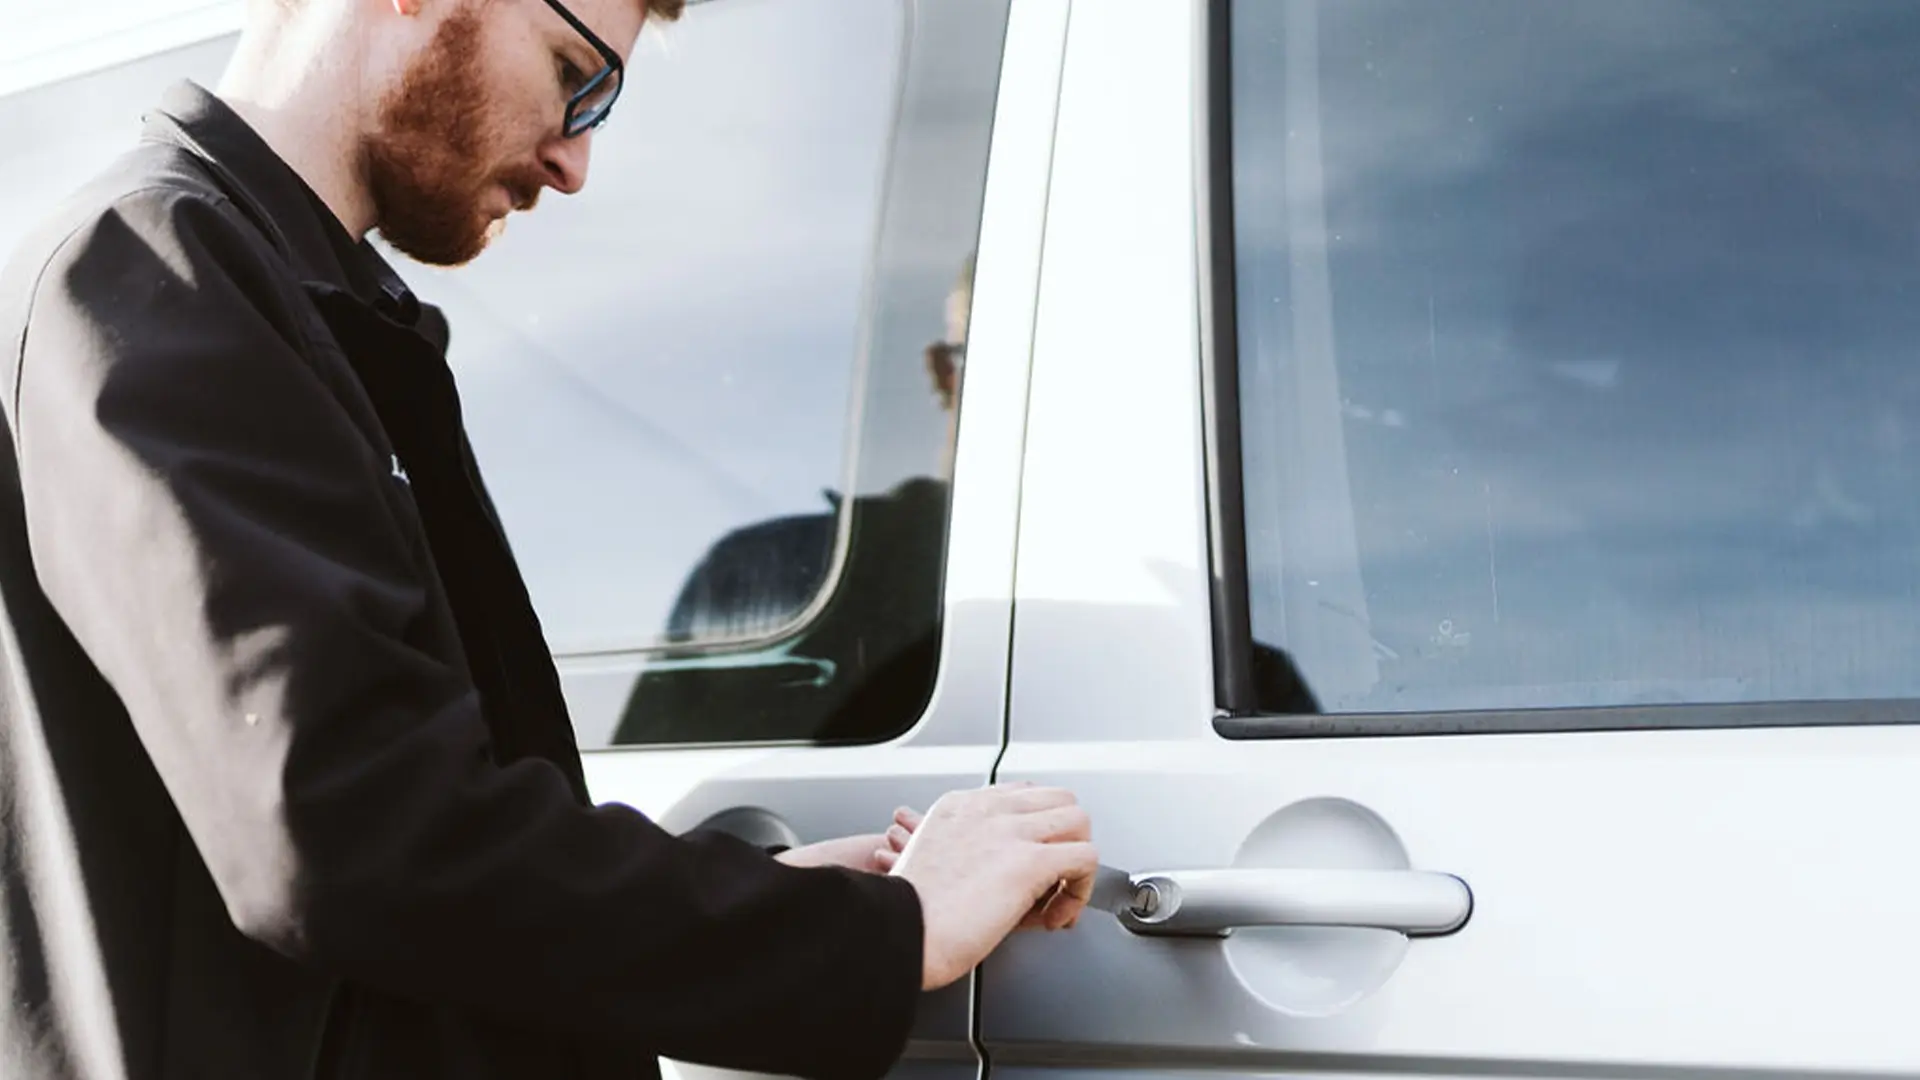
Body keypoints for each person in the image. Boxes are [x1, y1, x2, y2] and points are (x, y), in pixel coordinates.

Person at [0, 1, 1099, 1078]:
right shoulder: (154, 271)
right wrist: (885, 933)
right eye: (577, 73)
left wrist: (794, 899)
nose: (576, 161)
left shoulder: (321, 316)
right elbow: (354, 836)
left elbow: (412, 839)